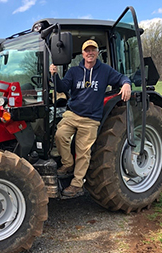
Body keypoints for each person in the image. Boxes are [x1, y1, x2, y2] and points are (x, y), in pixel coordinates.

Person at [50, 39, 131, 197]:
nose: (90, 53)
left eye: (93, 50)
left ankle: (76, 184)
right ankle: (67, 164)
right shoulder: (74, 71)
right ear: (83, 54)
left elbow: (121, 78)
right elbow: (62, 87)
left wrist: (126, 84)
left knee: (83, 152)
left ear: (97, 53)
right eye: (87, 50)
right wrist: (53, 75)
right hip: (72, 114)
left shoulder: (105, 71)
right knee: (60, 135)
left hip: (91, 119)